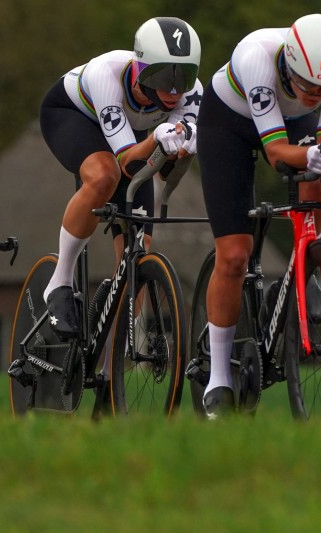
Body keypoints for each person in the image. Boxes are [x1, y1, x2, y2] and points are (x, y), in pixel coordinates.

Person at [196, 14, 321, 417]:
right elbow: (276, 154)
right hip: (229, 125)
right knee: (235, 255)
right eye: (307, 85)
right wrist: (315, 154)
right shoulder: (257, 57)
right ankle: (218, 377)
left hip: (286, 120)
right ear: (288, 64)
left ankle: (302, 270)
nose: (314, 94)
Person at [38, 17, 203, 412]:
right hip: (74, 117)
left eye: (185, 76)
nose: (175, 88)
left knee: (138, 254)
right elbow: (127, 162)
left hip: (135, 142)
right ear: (141, 67)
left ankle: (109, 370)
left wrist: (184, 143)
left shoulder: (189, 93)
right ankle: (59, 280)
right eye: (165, 76)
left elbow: (167, 162)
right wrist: (155, 141)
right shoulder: (107, 75)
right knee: (103, 176)